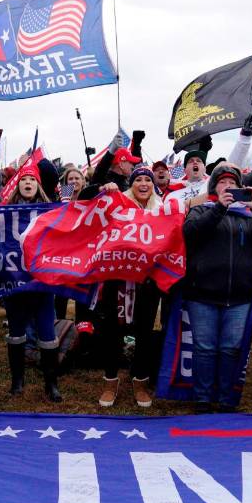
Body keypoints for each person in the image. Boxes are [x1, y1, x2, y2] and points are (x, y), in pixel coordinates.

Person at [182, 162, 252, 412]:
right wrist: (218, 210)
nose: (227, 187)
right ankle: (202, 398)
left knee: (230, 348)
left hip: (240, 295)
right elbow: (190, 234)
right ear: (214, 186)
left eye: (232, 184)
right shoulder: (201, 208)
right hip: (202, 292)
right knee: (204, 347)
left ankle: (225, 398)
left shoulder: (247, 214)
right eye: (222, 183)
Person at [96, 165, 165, 409]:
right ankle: (110, 380)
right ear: (131, 185)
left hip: (147, 283)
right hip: (118, 280)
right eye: (138, 180)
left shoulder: (162, 209)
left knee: (144, 332)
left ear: (153, 185)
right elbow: (90, 206)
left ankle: (140, 381)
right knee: (112, 330)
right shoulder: (116, 205)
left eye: (148, 179)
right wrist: (104, 189)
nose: (143, 184)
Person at [1, 163, 63, 402]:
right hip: (16, 284)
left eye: (32, 180)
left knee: (47, 334)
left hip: (42, 284)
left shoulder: (50, 212)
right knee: (16, 333)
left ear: (38, 185)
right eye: (24, 180)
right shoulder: (4, 213)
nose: (28, 183)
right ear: (18, 186)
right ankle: (17, 381)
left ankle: (51, 383)